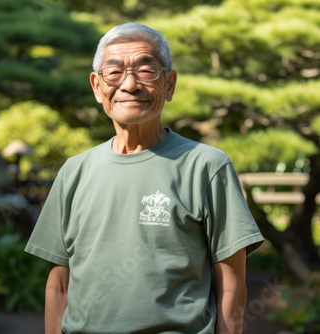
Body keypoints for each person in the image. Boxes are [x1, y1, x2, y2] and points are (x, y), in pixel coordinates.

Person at [25, 22, 264, 334]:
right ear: (97, 87)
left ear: (169, 84)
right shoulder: (74, 171)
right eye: (114, 72)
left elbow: (232, 287)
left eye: (145, 70)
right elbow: (58, 284)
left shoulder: (207, 166)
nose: (130, 84)